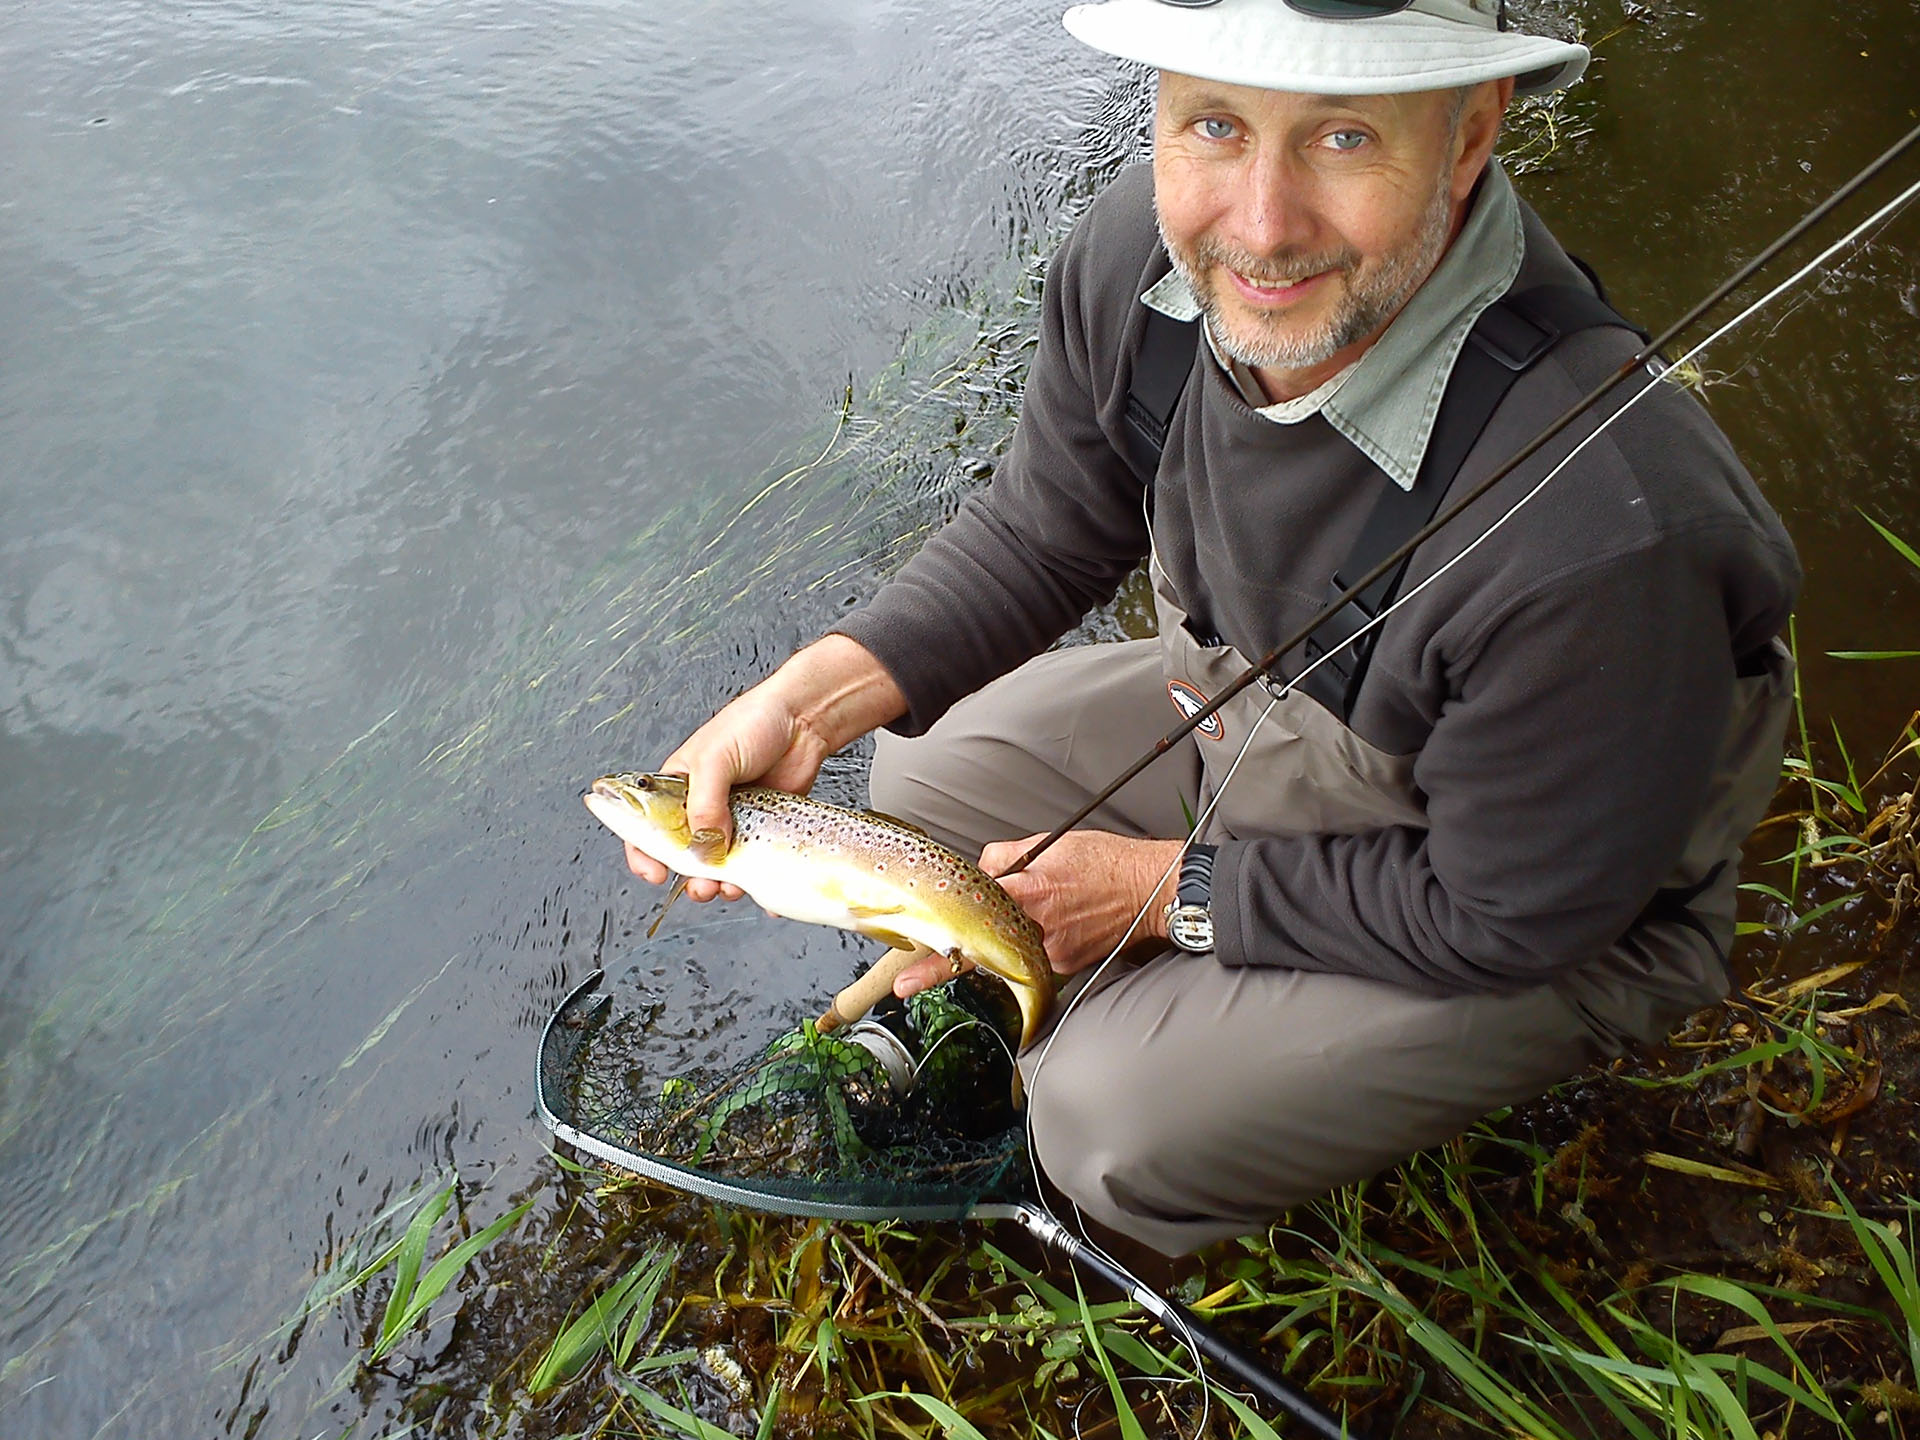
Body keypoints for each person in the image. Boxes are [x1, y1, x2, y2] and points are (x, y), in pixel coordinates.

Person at [622, 0, 1801, 1255]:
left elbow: (1508, 910)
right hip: (1267, 724)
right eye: (1216, 124)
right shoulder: (1144, 259)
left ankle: (1168, 1032)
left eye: (1344, 137)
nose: (1259, 225)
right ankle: (1154, 983)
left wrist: (1163, 895)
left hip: (1537, 895)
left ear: (1470, 137)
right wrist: (803, 704)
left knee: (1103, 1125)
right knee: (925, 770)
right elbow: (1045, 526)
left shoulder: (1610, 531)